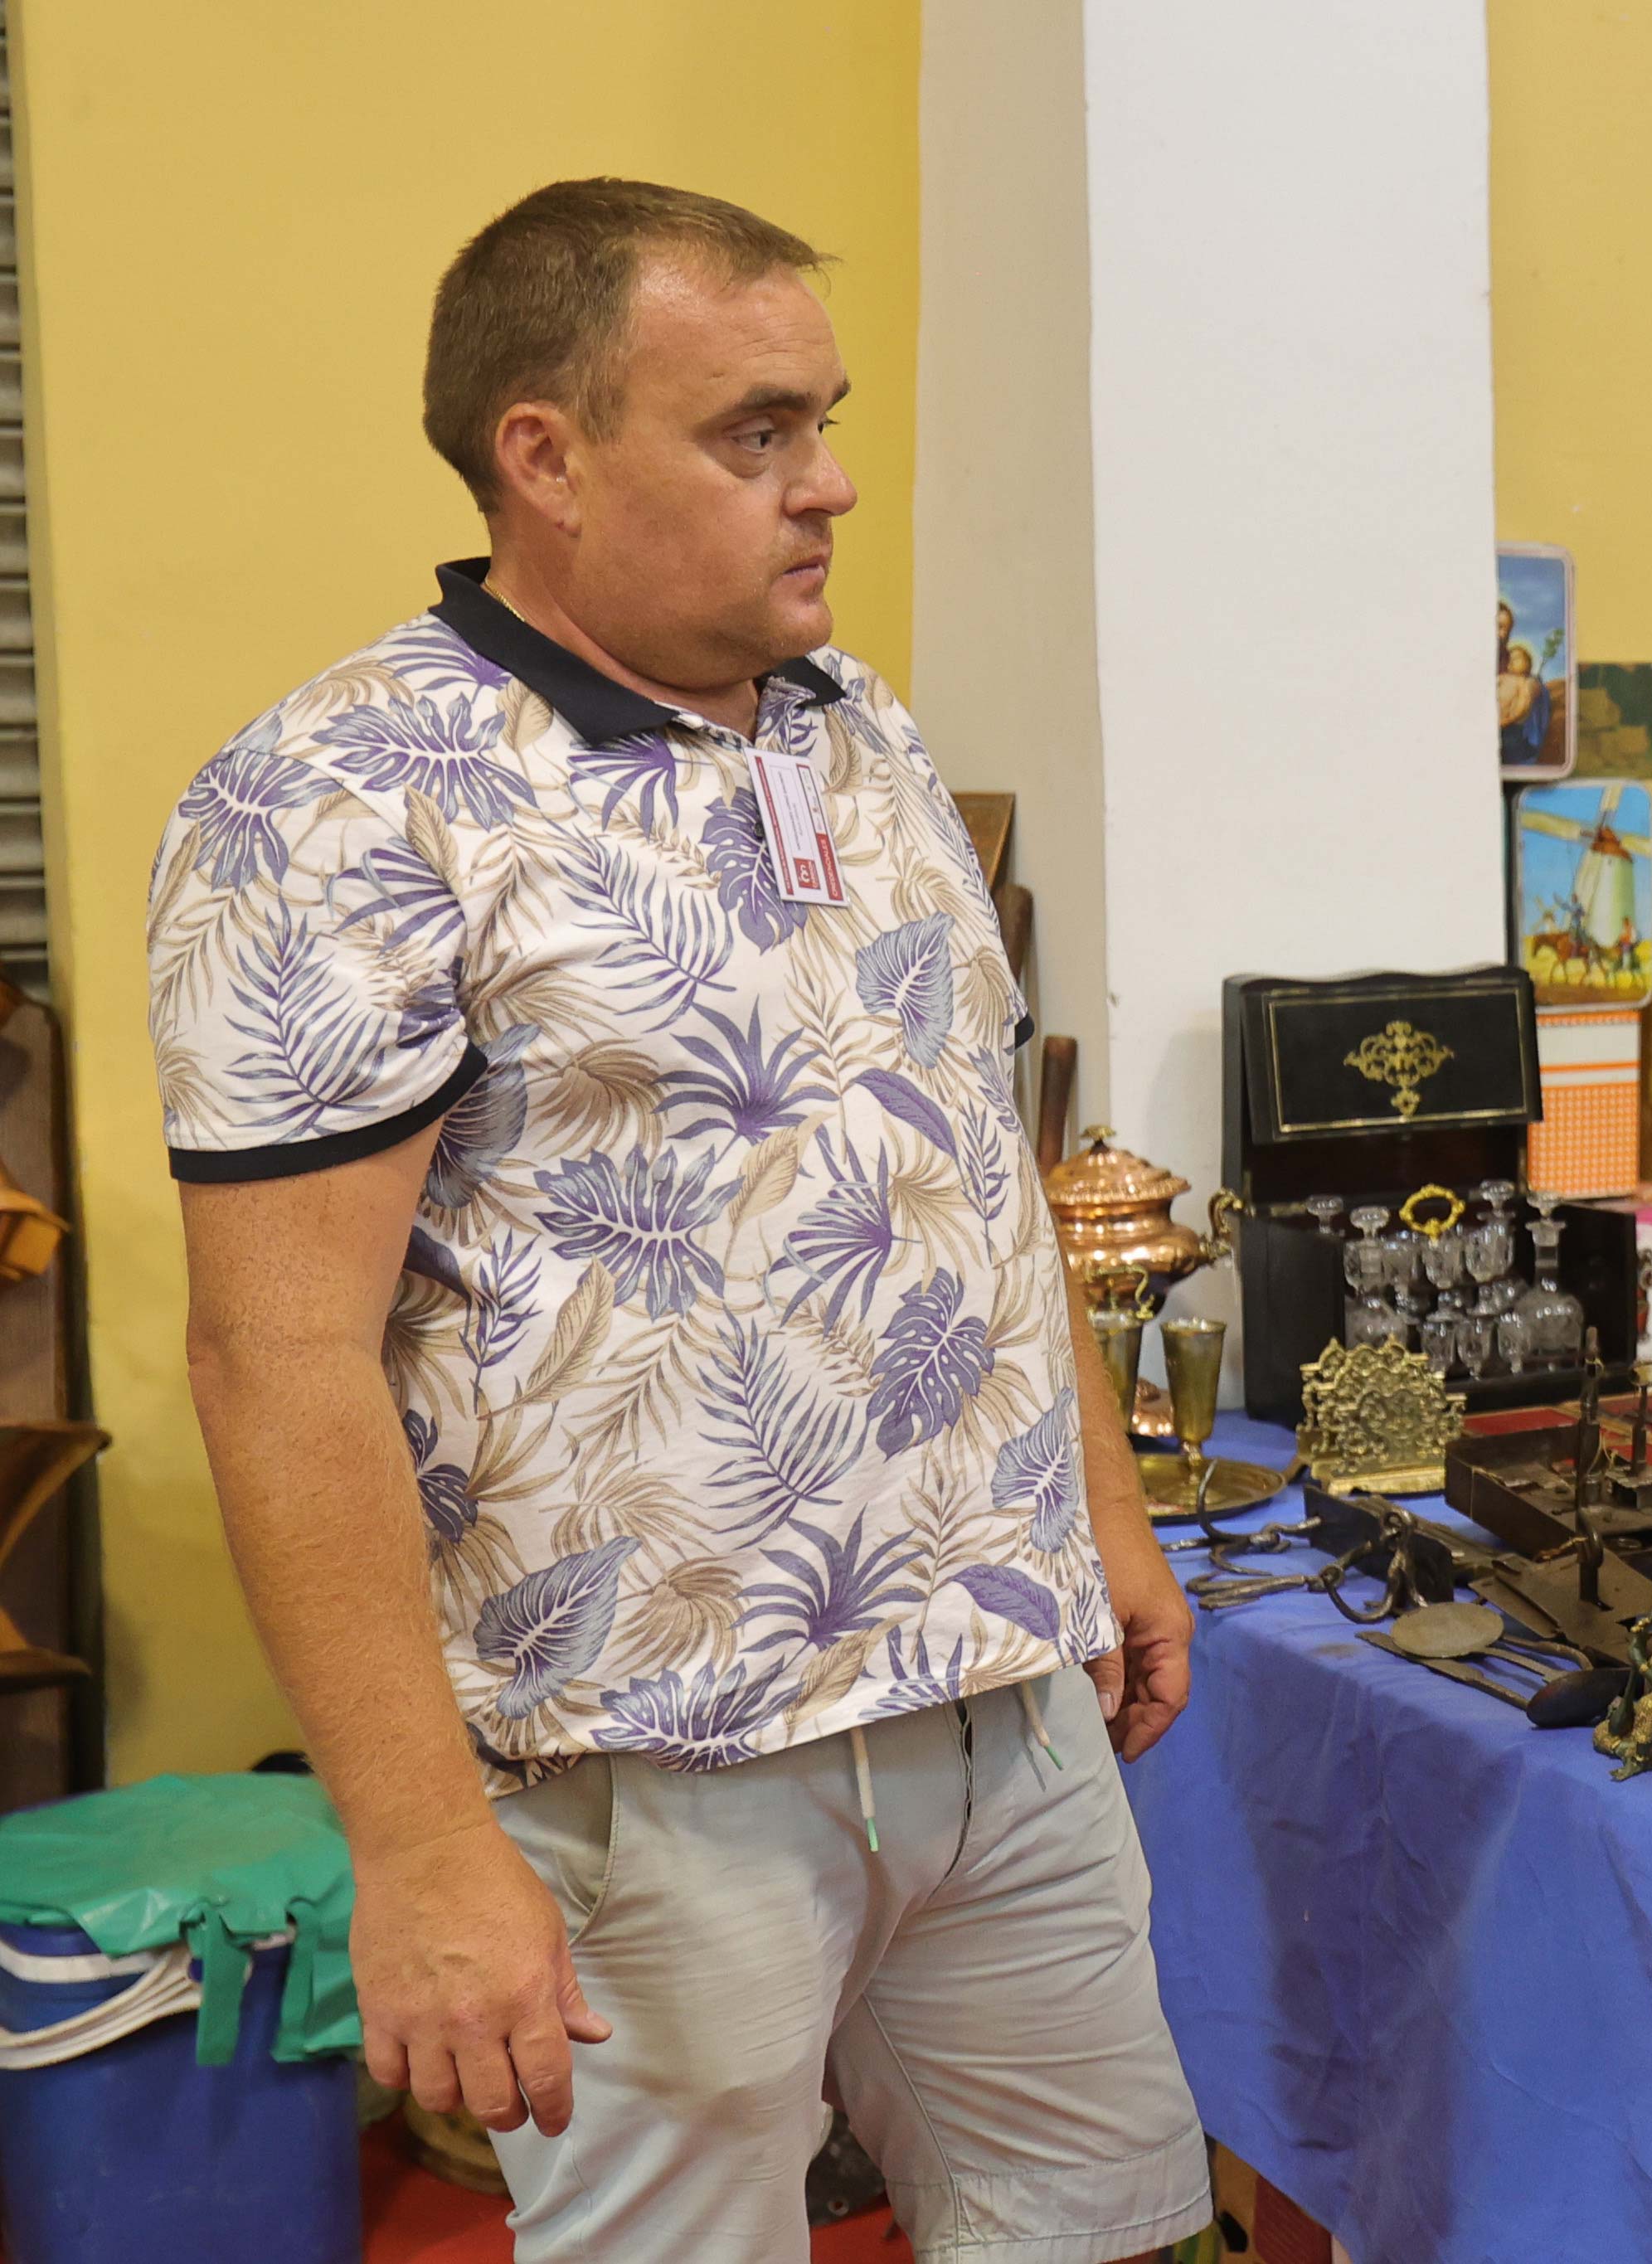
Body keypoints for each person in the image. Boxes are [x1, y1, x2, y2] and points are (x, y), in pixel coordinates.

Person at [150, 179, 1210, 2263]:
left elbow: (964, 1155)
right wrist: (427, 1848)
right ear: (541, 454)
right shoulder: (338, 799)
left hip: (999, 1712)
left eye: (823, 421)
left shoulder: (857, 728)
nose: (827, 485)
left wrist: (1098, 1505)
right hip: (653, 1774)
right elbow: (271, 1358)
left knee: (1094, 2229)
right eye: (755, 434)